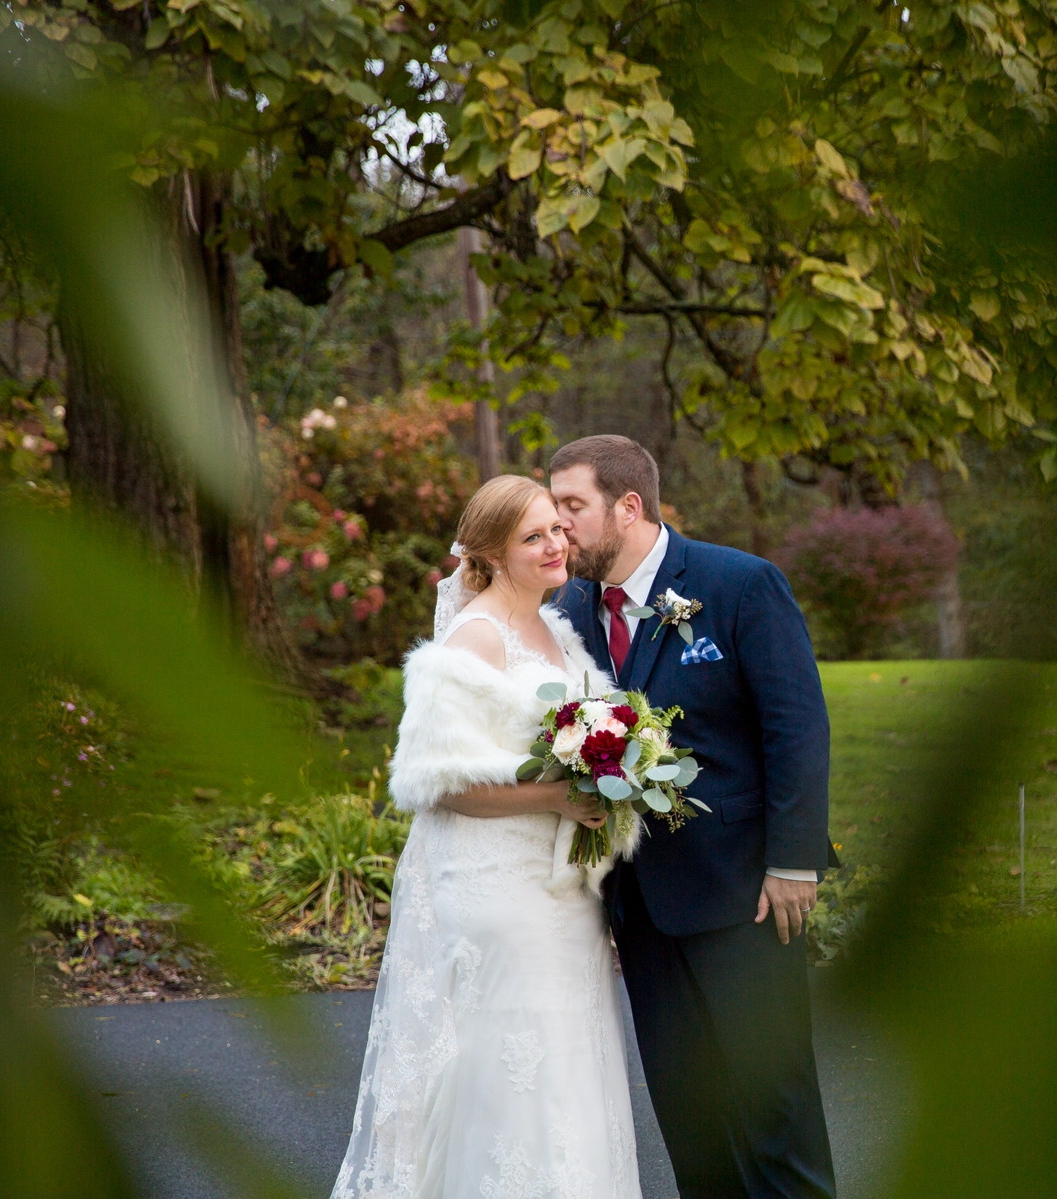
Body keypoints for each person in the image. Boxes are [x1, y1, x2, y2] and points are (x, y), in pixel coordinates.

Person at [332, 473, 643, 1199]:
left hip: (561, 893)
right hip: (496, 892)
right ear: (492, 554)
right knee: (516, 1074)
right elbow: (434, 780)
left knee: (568, 1067)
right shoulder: (475, 636)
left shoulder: (559, 628)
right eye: (532, 537)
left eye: (557, 530)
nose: (555, 544)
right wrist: (562, 795)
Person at [548, 435, 837, 1199]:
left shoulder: (739, 584)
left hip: (745, 894)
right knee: (690, 1121)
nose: (559, 525)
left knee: (774, 1109)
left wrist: (795, 859)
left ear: (629, 505)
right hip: (639, 905)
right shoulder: (569, 607)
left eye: (572, 506)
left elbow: (795, 725)